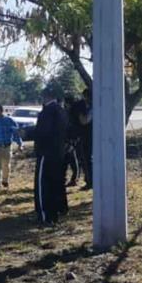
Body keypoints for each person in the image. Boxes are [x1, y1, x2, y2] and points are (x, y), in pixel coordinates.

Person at [33, 87, 70, 224]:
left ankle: (45, 215)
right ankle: (56, 213)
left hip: (46, 152)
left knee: (43, 185)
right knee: (56, 183)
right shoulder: (62, 111)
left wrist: (30, 134)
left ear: (46, 96)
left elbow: (43, 132)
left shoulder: (47, 112)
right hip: (59, 152)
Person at [70, 88, 93, 190]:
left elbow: (84, 121)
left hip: (86, 137)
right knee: (86, 160)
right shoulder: (84, 106)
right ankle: (89, 180)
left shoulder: (89, 108)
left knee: (86, 159)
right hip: (87, 136)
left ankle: (90, 181)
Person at [63, 95, 81, 188]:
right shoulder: (69, 113)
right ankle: (69, 178)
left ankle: (74, 179)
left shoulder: (71, 114)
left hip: (70, 140)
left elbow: (71, 128)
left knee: (72, 160)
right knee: (68, 161)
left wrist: (71, 141)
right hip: (68, 139)